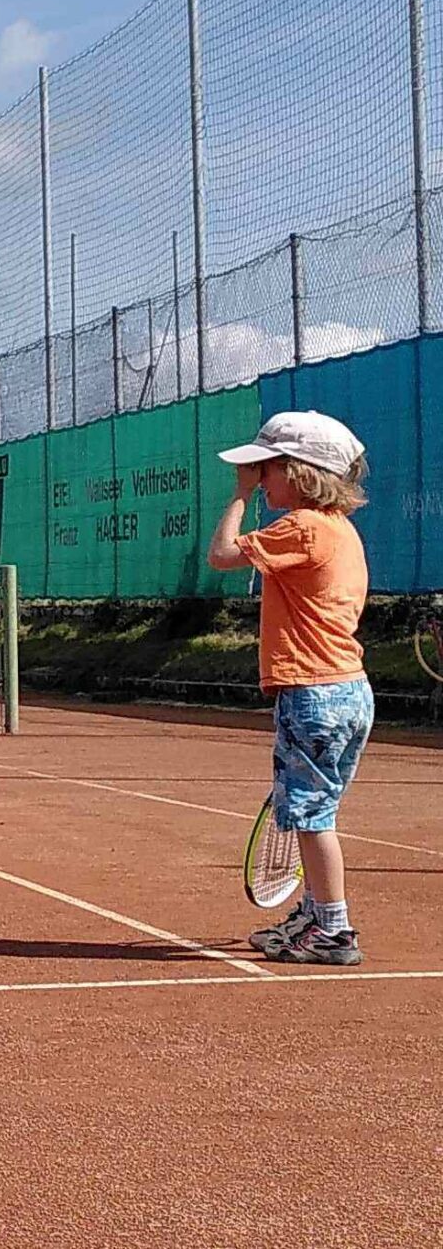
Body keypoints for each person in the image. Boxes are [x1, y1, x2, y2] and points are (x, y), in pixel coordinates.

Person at [208, 410, 373, 967]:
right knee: (315, 811)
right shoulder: (340, 529)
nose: (259, 480)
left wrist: (238, 494)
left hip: (315, 693)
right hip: (347, 691)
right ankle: (314, 913)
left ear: (300, 472)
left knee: (311, 817)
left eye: (266, 469)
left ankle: (334, 930)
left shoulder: (303, 527)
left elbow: (221, 555)